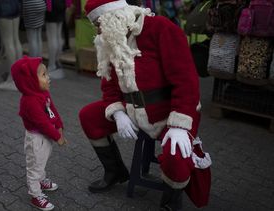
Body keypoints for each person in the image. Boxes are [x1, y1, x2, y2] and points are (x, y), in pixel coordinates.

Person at [79, 0, 211, 210]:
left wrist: (178, 125)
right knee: (89, 116)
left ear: (116, 16)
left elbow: (186, 82)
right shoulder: (113, 40)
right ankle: (115, 172)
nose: (98, 30)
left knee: (176, 156)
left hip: (172, 112)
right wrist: (118, 113)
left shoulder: (161, 28)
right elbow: (110, 86)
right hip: (132, 111)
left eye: (99, 23)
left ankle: (171, 201)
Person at [11, 55, 67, 211]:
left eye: (47, 74)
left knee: (42, 160)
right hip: (36, 138)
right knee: (35, 165)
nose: (48, 78)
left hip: (46, 135)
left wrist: (59, 124)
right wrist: (57, 137)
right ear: (29, 81)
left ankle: (41, 180)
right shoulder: (29, 102)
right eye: (44, 75)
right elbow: (42, 122)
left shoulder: (42, 93)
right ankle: (35, 195)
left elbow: (52, 109)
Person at [0, 0, 22, 91]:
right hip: (16, 4)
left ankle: (11, 79)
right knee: (16, 39)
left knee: (8, 42)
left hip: (3, 5)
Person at [45, 0, 72, 79]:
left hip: (52, 5)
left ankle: (51, 64)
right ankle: (56, 61)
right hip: (62, 5)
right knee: (58, 35)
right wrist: (68, 4)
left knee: (52, 36)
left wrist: (48, 7)